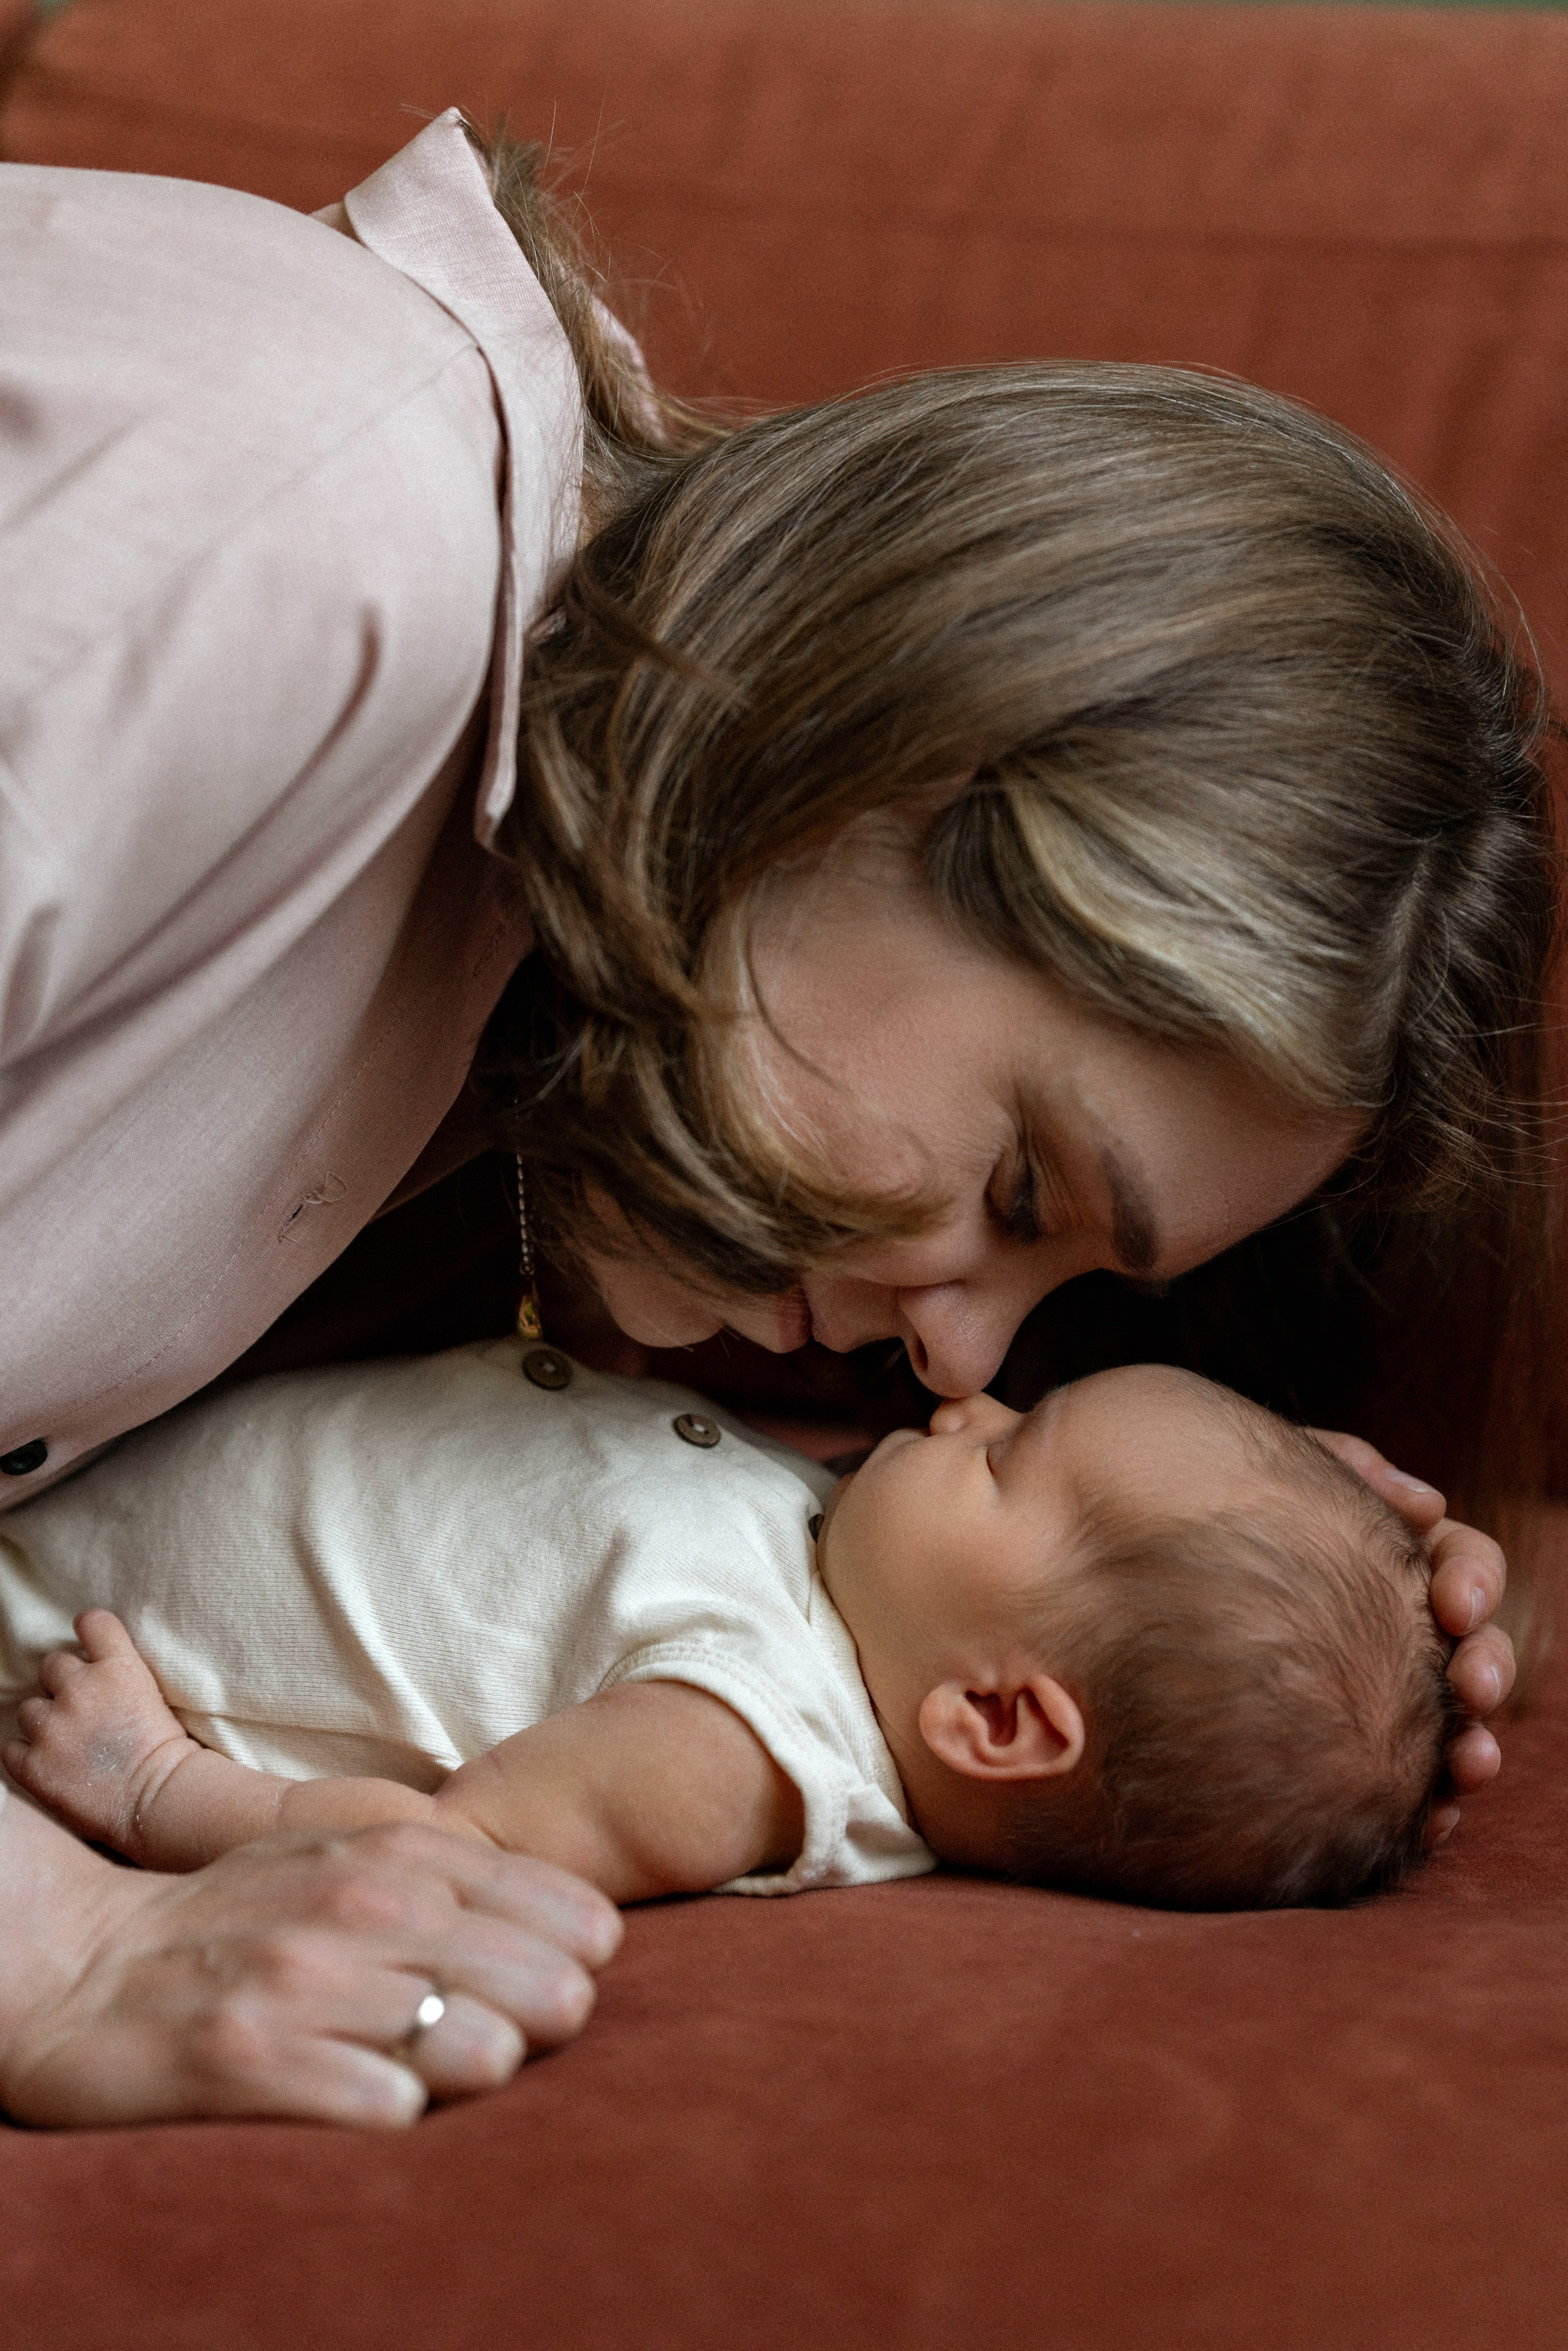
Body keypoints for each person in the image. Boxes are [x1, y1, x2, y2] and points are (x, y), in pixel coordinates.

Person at [0, 105, 1539, 2125]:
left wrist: (1230, 1556)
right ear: (889, 738)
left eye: (1059, 1307)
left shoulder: (517, 1085)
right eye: (1020, 1183)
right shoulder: (291, 529)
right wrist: (47, 1934)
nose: (956, 1354)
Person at [2, 1341, 1455, 1919]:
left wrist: (151, 1784)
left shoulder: (733, 1741)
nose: (969, 1404)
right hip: (94, 1428)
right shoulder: (852, 1589)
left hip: (56, 1609)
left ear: (993, 1716)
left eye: (1008, 1456)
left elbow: (441, 1851)